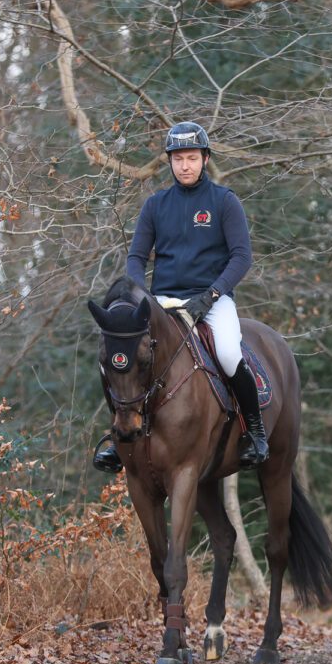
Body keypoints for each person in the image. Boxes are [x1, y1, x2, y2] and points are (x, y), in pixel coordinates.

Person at [93, 121, 269, 472]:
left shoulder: (224, 201)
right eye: (178, 159)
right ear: (170, 162)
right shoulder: (155, 205)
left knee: (229, 353)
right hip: (163, 302)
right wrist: (140, 296)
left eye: (191, 158)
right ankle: (117, 436)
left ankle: (255, 431)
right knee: (118, 355)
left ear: (205, 159)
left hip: (212, 300)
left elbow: (241, 257)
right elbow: (136, 258)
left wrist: (211, 294)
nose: (184, 166)